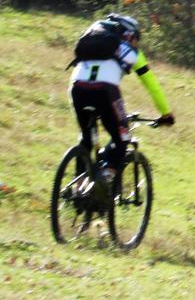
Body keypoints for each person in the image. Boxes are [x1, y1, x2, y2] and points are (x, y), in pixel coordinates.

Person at [66, 14, 175, 204]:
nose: (137, 42)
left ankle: (78, 189)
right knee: (122, 137)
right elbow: (153, 86)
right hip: (105, 92)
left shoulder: (91, 40)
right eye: (137, 38)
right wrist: (166, 114)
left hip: (77, 88)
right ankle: (104, 180)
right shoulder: (132, 52)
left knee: (87, 137)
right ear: (129, 34)